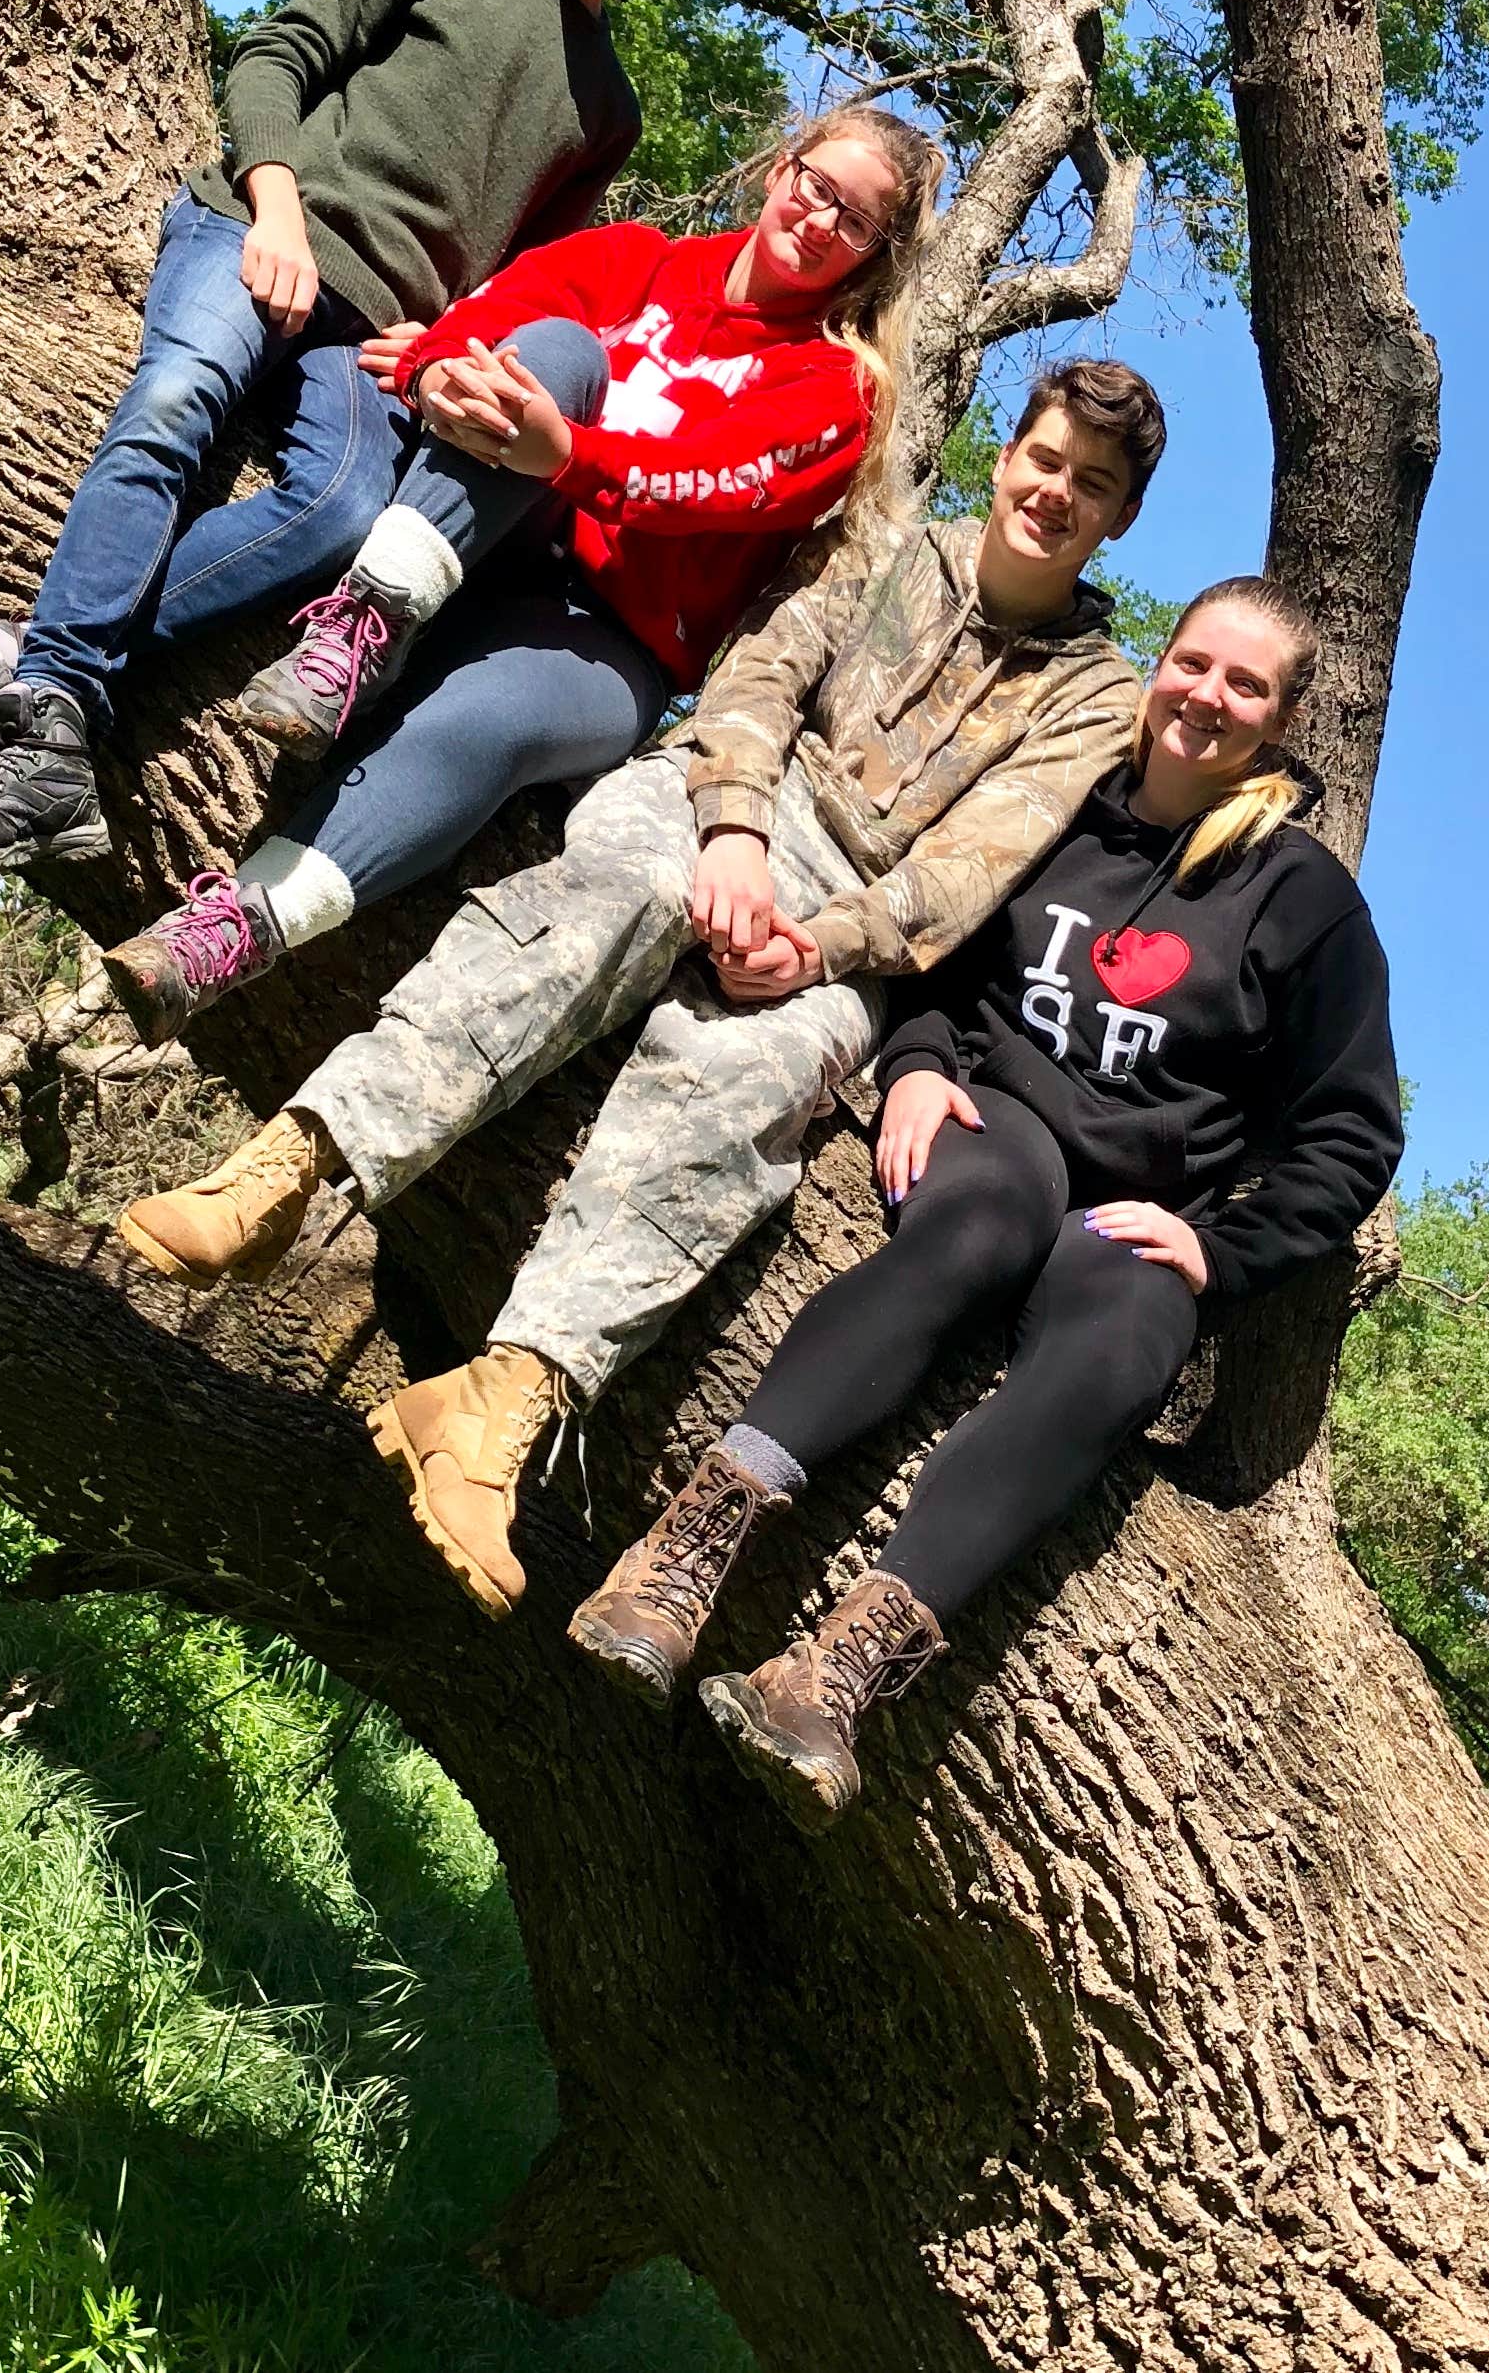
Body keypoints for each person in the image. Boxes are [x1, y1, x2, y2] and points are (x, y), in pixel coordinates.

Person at [113, 359, 1170, 1620]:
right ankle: (297, 1161)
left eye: (1091, 485)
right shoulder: (886, 546)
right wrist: (729, 829)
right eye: (1046, 460)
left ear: (1119, 518)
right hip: (726, 797)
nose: (1056, 492)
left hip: (855, 929)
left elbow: (975, 865)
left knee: (752, 1081)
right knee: (593, 902)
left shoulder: (1104, 697)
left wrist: (815, 946)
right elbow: (758, 681)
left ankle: (497, 1402)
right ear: (1009, 457)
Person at [565, 578, 1404, 1828]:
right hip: (1000, 1119)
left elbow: (1351, 1127)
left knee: (1129, 1339)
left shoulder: (1304, 901)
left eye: (1246, 685)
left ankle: (836, 1674)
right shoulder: (1059, 805)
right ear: (1161, 663)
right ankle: (685, 1551)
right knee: (978, 1222)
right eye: (1195, 664)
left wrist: (1220, 1247)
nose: (1207, 698)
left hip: (1139, 1202)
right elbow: (941, 948)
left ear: (1277, 723)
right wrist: (909, 1069)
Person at [0, 0, 734, 876]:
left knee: (340, 517)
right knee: (177, 399)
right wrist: (274, 209)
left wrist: (444, 344)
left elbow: (524, 274)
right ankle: (48, 716)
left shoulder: (609, 109)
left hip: (381, 339)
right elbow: (277, 56)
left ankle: (8, 655)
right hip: (258, 234)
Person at [94, 104, 946, 1047]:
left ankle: (228, 935)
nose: (820, 219)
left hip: (609, 641)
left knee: (484, 724)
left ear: (877, 254)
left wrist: (567, 455)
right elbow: (488, 318)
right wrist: (429, 371)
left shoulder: (836, 389)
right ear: (781, 169)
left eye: (856, 220)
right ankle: (358, 632)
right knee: (558, 351)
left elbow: (707, 484)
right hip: (478, 539)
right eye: (817, 186)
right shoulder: (641, 261)